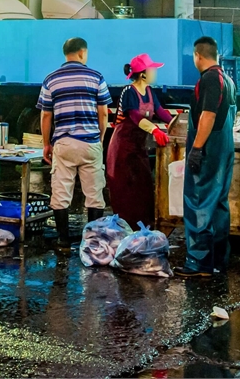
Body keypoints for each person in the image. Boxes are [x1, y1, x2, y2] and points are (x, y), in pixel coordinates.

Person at [39, 37, 111, 251]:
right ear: (82, 53)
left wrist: (46, 144)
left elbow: (45, 116)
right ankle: (92, 241)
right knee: (94, 193)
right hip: (90, 142)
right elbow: (104, 112)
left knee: (61, 192)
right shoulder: (96, 77)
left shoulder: (51, 79)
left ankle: (63, 239)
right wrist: (99, 138)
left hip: (64, 142)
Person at [176, 36, 235, 278]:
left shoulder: (210, 78)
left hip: (209, 149)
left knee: (198, 201)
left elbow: (208, 116)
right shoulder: (227, 79)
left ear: (198, 55)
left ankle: (199, 263)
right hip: (223, 148)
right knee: (219, 202)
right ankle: (218, 259)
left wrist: (197, 148)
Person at [106, 53, 174, 229]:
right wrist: (154, 130)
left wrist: (178, 125)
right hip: (122, 149)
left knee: (143, 188)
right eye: (152, 69)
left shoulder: (150, 92)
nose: (155, 72)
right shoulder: (129, 92)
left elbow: (161, 112)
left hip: (138, 148)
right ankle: (127, 231)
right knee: (126, 190)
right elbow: (135, 116)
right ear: (143, 73)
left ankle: (144, 229)